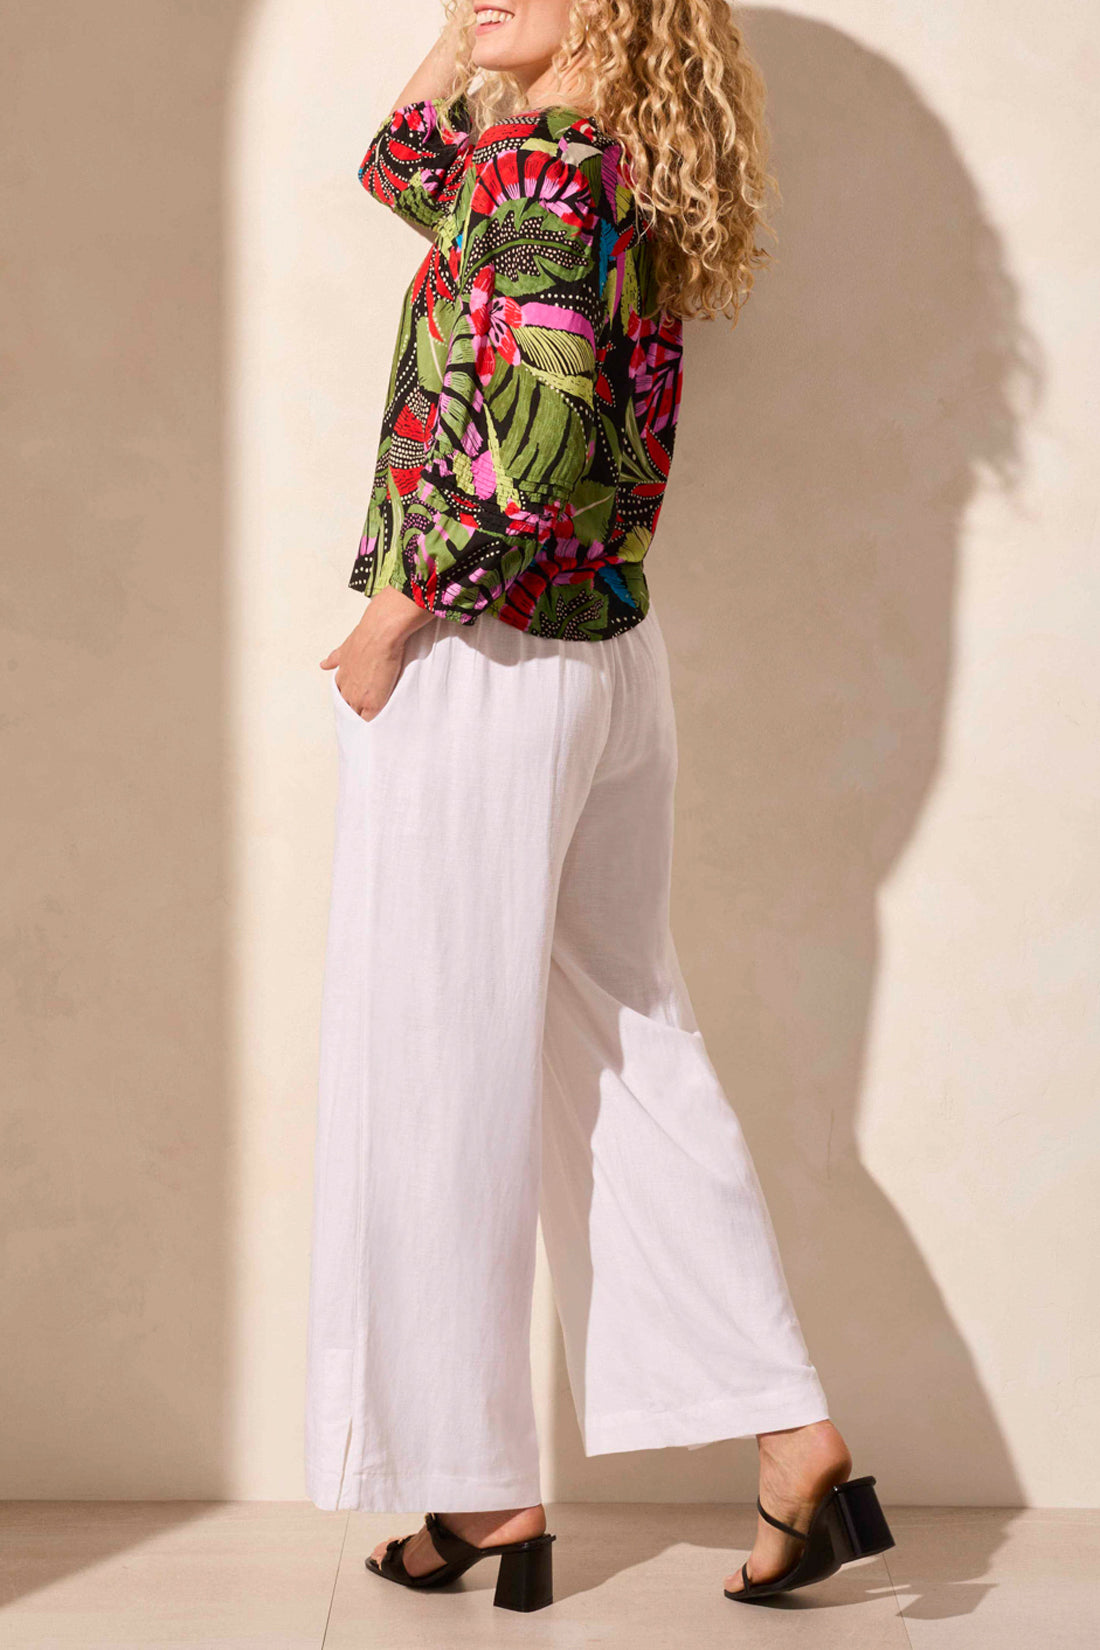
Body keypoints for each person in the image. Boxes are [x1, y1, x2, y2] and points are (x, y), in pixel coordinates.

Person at [306, 0, 894, 1613]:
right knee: (626, 1043)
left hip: (484, 656)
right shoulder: (563, 162)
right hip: (602, 663)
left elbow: (534, 454)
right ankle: (792, 1435)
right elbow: (392, 163)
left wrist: (388, 626)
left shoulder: (551, 181)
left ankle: (481, 1489)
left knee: (443, 1058)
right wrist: (469, 34)